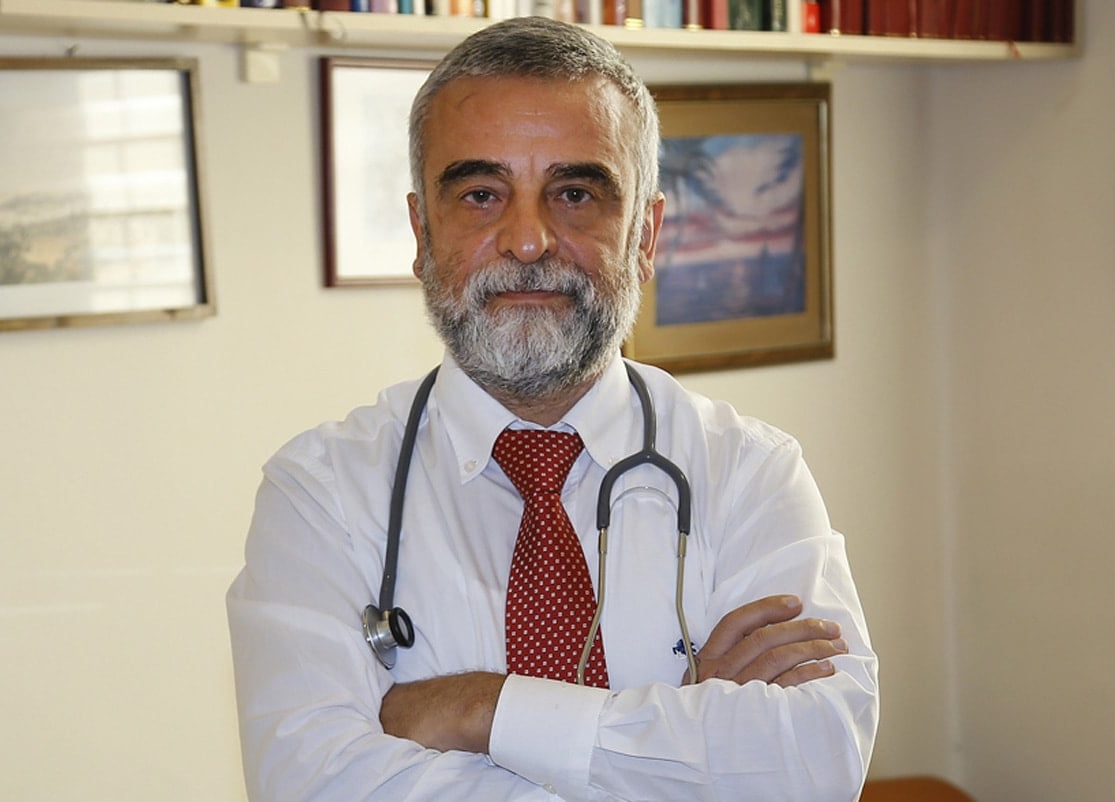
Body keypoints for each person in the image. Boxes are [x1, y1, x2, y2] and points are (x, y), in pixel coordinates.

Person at [227, 16, 878, 801]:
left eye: (575, 194)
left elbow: (814, 765)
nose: (529, 239)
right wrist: (682, 738)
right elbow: (311, 785)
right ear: (422, 232)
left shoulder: (749, 473)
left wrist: (481, 707)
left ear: (645, 235)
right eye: (481, 195)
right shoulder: (321, 494)